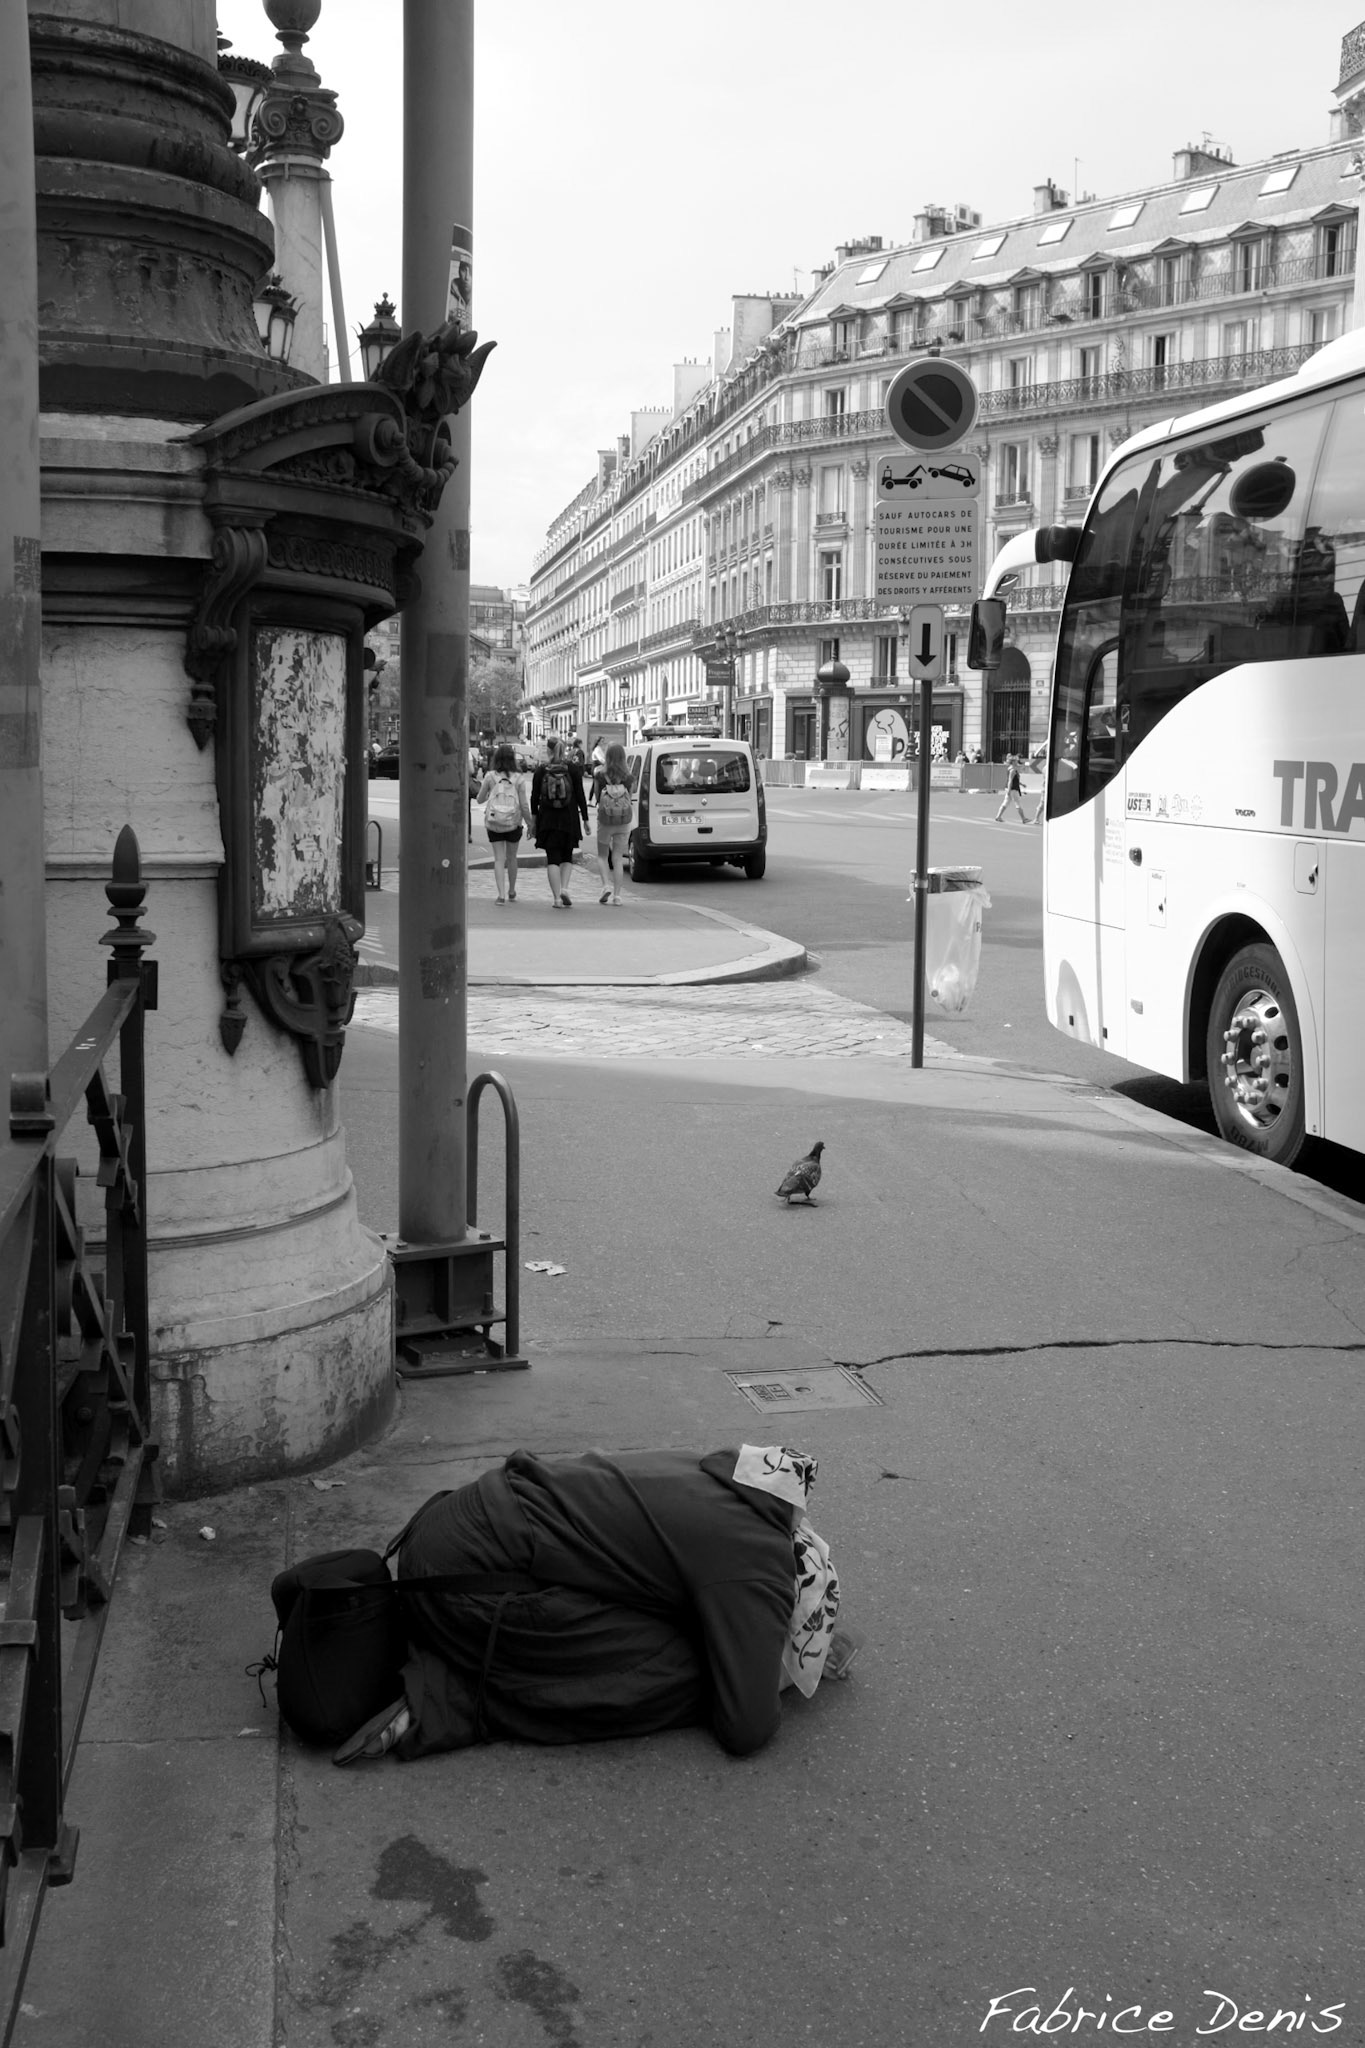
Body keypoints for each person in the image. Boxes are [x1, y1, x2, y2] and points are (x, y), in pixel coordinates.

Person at [332, 1443, 852, 1765]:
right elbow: (747, 1728)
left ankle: (475, 1654)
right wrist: (772, 1672)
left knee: (664, 1625)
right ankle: (455, 1694)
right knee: (682, 1669)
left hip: (443, 1533)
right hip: (466, 1585)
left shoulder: (715, 1477)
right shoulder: (757, 1565)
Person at [531, 734, 588, 906]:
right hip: (569, 818)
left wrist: (534, 819)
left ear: (548, 750)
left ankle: (556, 898)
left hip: (548, 819)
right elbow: (580, 795)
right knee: (567, 857)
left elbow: (534, 797)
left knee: (553, 859)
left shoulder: (542, 770)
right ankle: (564, 888)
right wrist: (585, 819)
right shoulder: (572, 768)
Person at [475, 742, 532, 903]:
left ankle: (501, 895)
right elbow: (524, 805)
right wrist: (530, 823)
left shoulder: (490, 776)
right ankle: (512, 890)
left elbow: (479, 799)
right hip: (514, 822)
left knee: (499, 858)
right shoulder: (519, 779)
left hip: (494, 822)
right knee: (512, 857)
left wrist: (492, 793)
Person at [592, 740, 633, 903]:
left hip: (605, 820)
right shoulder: (629, 777)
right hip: (623, 821)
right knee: (617, 858)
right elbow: (629, 797)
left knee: (602, 856)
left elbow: (597, 798)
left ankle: (605, 886)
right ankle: (617, 896)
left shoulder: (600, 775)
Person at [995, 753, 1030, 824]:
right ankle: (1024, 819)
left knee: (1006, 803)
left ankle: (998, 816)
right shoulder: (1013, 770)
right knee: (1018, 803)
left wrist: (1021, 784)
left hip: (1011, 788)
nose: (1017, 762)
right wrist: (1009, 789)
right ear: (1013, 762)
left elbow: (1013, 780)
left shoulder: (1011, 769)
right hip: (1013, 789)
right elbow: (1010, 781)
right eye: (1016, 761)